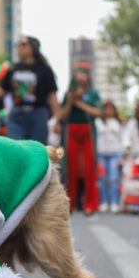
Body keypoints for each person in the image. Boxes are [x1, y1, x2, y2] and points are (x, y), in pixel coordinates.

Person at [0, 36, 60, 144]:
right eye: (17, 45)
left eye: (23, 44)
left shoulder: (44, 70)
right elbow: (1, 91)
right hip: (17, 114)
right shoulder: (13, 69)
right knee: (14, 148)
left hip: (39, 115)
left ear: (33, 47)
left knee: (37, 150)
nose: (19, 47)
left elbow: (53, 97)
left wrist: (57, 121)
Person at [57, 63, 102, 215]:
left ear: (88, 77)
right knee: (71, 168)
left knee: (89, 168)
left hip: (87, 131)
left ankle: (91, 204)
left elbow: (98, 112)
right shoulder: (68, 93)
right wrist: (71, 100)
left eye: (83, 74)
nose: (81, 77)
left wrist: (80, 103)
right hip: (71, 130)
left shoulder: (93, 93)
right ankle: (70, 203)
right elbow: (62, 116)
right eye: (78, 74)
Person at [95, 100, 124, 213]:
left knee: (113, 178)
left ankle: (114, 202)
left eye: (111, 109)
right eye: (106, 108)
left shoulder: (117, 122)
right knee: (102, 179)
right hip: (101, 153)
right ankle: (104, 202)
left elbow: (122, 137)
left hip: (114, 154)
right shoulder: (98, 121)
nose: (109, 111)